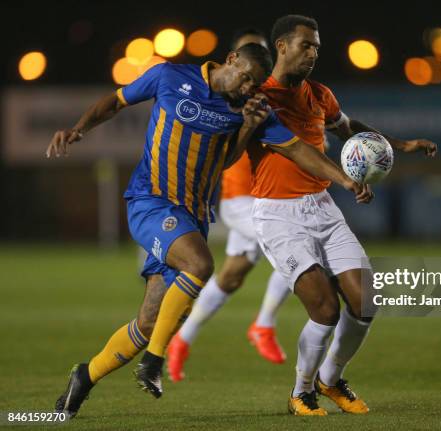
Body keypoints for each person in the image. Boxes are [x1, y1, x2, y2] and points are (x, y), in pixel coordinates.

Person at [48, 41, 368, 418]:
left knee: (150, 322)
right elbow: (116, 101)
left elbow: (284, 151)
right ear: (230, 60)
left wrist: (342, 179)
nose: (249, 87)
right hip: (150, 201)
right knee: (200, 266)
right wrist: (79, 129)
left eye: (255, 83)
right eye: (246, 78)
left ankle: (85, 377)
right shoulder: (169, 76)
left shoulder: (250, 110)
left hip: (192, 215)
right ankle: (153, 363)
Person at [247, 15, 437, 416]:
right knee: (325, 309)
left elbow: (348, 129)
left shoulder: (320, 94)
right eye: (305, 45)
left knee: (366, 301)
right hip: (279, 215)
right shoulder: (261, 99)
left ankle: (329, 381)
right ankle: (301, 392)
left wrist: (399, 145)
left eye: (316, 46)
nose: (313, 53)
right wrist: (346, 182)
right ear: (281, 46)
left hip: (322, 208)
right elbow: (300, 150)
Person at [167, 28, 291, 382]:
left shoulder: (266, 93)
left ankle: (182, 340)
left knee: (232, 276)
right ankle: (264, 326)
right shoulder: (229, 97)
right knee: (293, 248)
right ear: (232, 58)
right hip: (241, 199)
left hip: (266, 196)